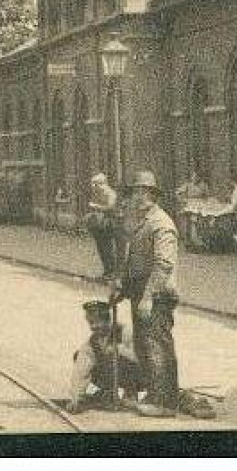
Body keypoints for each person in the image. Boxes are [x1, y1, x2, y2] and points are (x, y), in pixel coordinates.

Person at [112, 170, 181, 417]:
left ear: (154, 196)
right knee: (143, 345)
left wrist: (149, 296)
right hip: (141, 290)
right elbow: (133, 258)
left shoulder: (161, 224)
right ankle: (153, 394)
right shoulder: (140, 221)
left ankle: (164, 402)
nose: (139, 198)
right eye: (135, 193)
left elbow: (164, 264)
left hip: (158, 293)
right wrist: (122, 285)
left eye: (144, 193)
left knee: (157, 346)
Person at [67, 299, 144, 413]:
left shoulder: (125, 331)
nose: (93, 327)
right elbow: (80, 371)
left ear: (107, 320)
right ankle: (108, 391)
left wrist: (119, 349)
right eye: (91, 323)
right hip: (113, 374)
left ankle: (130, 394)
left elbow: (142, 359)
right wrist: (76, 398)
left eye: (97, 322)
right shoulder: (92, 342)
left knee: (118, 357)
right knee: (78, 355)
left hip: (140, 376)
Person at [83, 173, 120, 278]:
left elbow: (110, 207)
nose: (93, 187)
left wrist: (96, 206)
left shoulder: (111, 193)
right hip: (99, 225)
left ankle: (112, 272)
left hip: (109, 224)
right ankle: (106, 271)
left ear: (102, 183)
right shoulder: (98, 193)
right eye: (93, 184)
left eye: (96, 184)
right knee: (101, 248)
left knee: (107, 248)